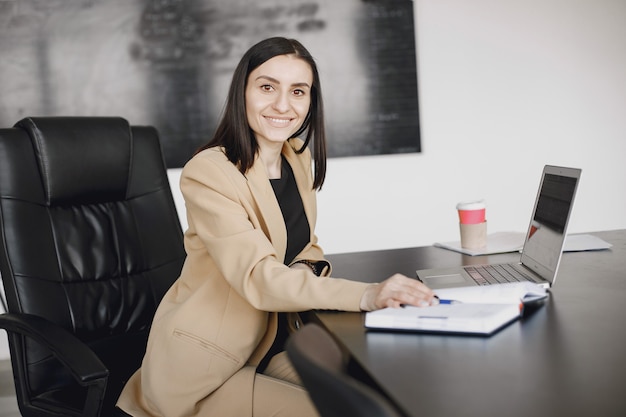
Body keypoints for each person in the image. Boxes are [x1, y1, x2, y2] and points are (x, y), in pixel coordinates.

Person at [117, 36, 437, 417]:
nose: (283, 105)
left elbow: (305, 246)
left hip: (277, 344)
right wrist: (367, 294)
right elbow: (258, 276)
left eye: (298, 91)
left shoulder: (296, 158)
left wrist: (302, 267)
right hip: (211, 369)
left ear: (310, 102)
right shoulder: (209, 172)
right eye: (267, 87)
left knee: (389, 386)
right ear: (243, 92)